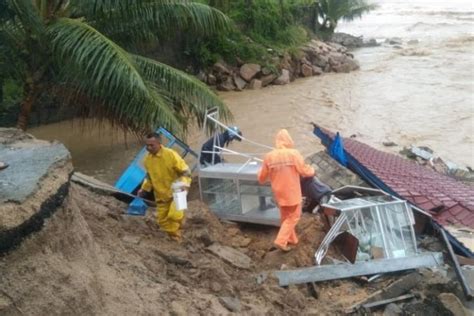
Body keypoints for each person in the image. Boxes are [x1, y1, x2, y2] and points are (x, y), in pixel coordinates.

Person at [258, 129, 315, 252]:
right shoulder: (293, 154)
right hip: (292, 192)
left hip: (279, 193)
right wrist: (312, 170)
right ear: (289, 140)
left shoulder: (269, 156)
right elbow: (304, 171)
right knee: (295, 216)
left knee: (285, 217)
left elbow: (261, 178)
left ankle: (292, 240)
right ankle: (280, 241)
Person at [137, 133, 191, 242]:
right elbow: (149, 177)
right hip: (161, 195)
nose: (149, 148)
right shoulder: (147, 160)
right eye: (147, 145)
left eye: (152, 145)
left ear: (159, 143)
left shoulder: (171, 155)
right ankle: (176, 239)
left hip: (178, 190)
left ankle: (182, 225)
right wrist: (144, 189)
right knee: (163, 222)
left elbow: (186, 172)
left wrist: (183, 185)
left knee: (174, 216)